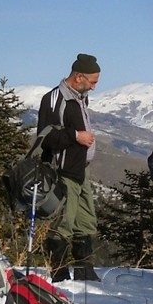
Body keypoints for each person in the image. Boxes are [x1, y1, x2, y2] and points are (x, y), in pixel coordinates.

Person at [37, 53, 103, 282]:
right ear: (78, 77)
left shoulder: (80, 97)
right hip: (63, 170)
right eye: (92, 82)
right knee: (64, 220)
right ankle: (59, 271)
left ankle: (85, 270)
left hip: (81, 169)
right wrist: (76, 136)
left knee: (86, 218)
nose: (94, 87)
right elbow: (45, 137)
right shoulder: (54, 99)